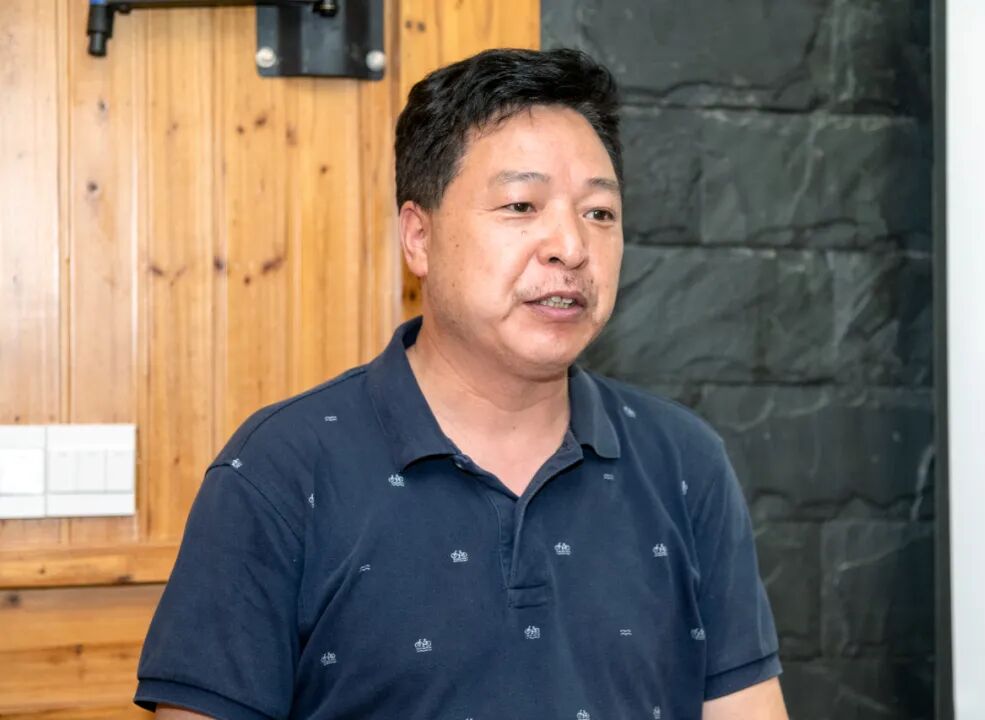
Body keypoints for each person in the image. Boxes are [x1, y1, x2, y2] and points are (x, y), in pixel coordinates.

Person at [134, 48, 788, 720]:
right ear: (418, 237)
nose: (571, 247)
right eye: (521, 205)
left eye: (599, 213)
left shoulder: (685, 462)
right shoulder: (280, 470)